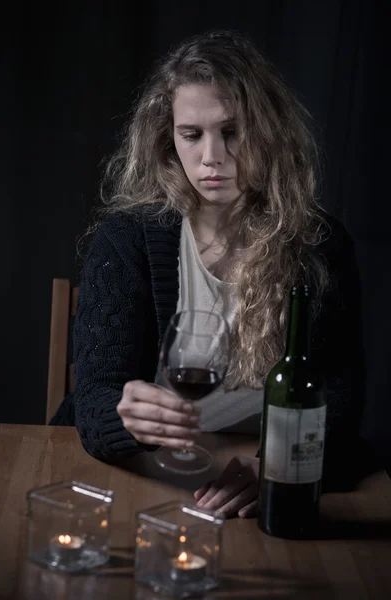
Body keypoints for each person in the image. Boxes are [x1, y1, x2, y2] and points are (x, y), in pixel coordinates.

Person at [52, 30, 367, 517]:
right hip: (138, 474)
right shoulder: (129, 238)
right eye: (191, 134)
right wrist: (124, 417)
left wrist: (277, 464)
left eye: (233, 132)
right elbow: (93, 400)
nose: (211, 157)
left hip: (262, 479)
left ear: (269, 131)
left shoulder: (319, 245)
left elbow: (341, 402)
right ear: (167, 138)